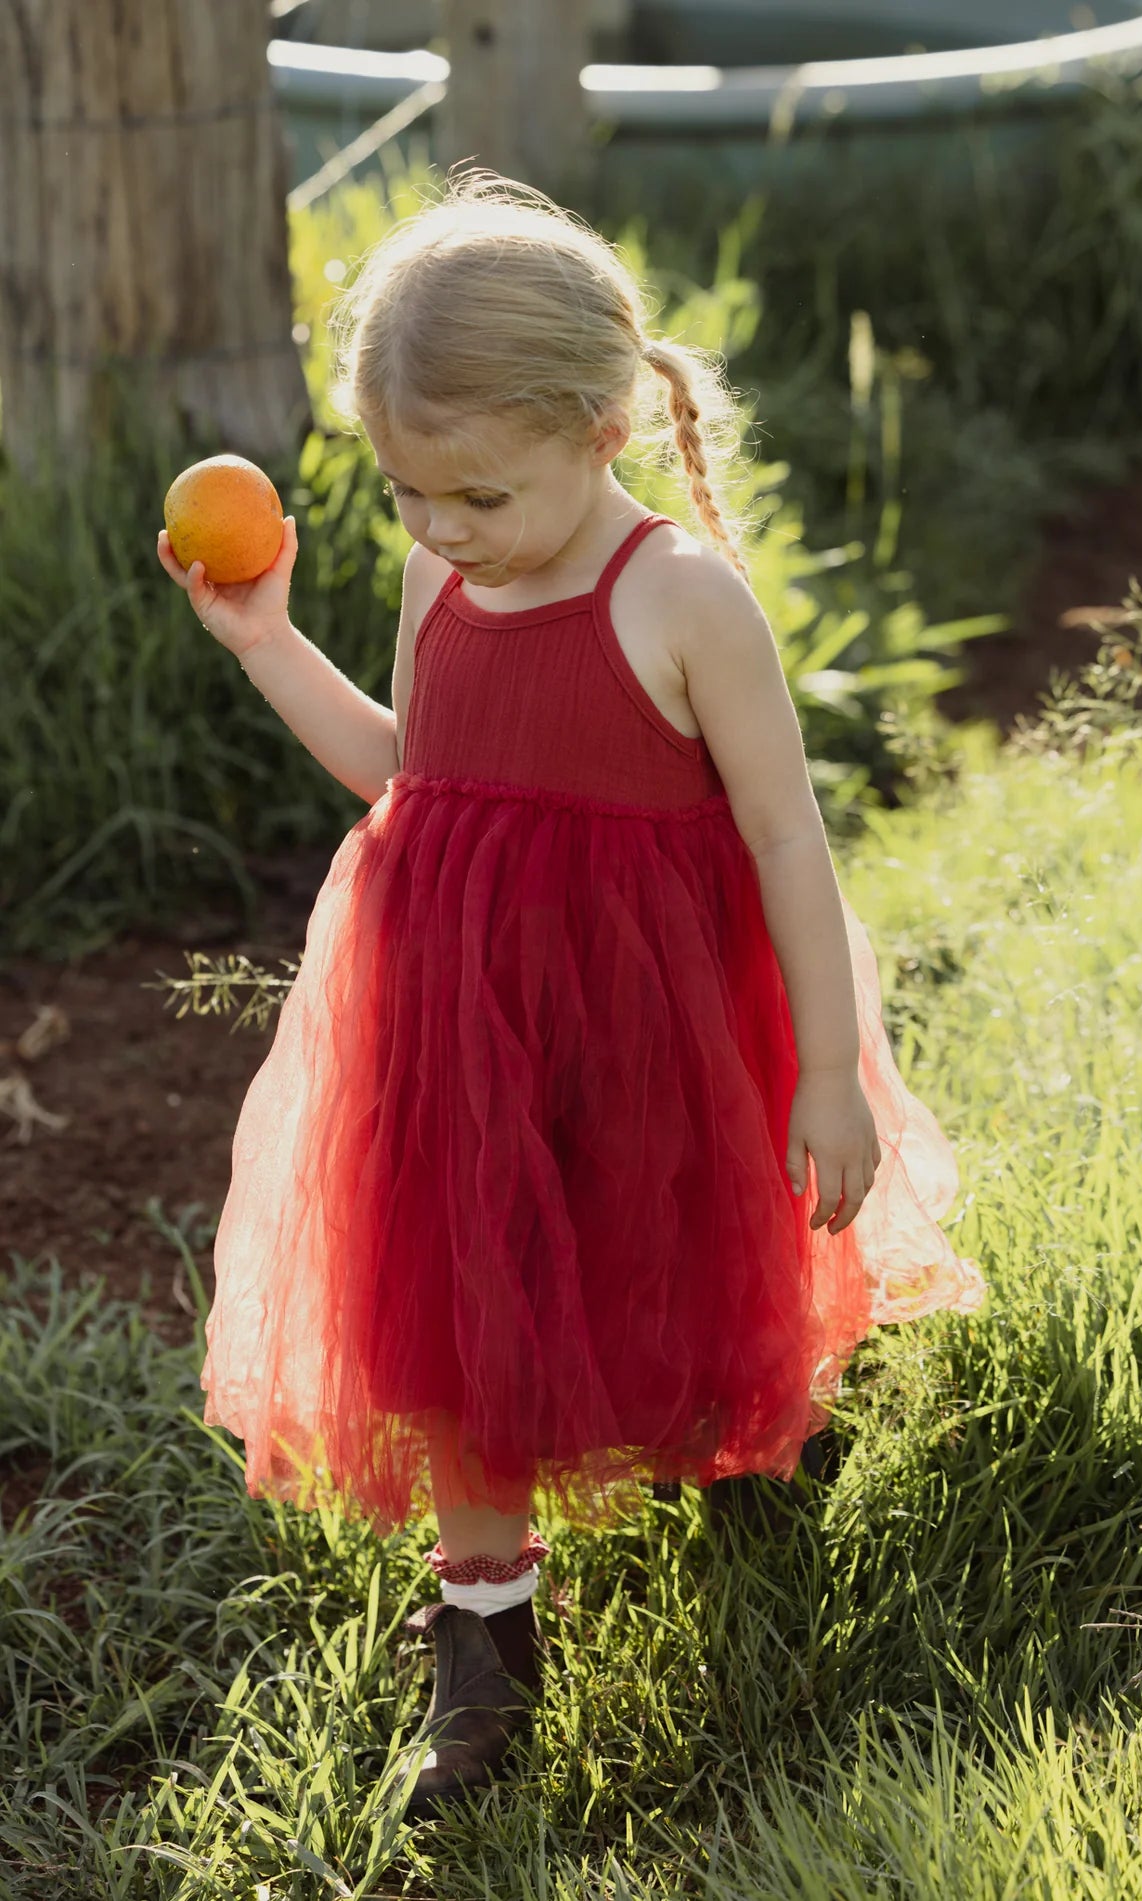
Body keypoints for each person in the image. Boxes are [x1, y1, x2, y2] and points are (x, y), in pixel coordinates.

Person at [156, 171, 985, 1816]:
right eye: (406, 492)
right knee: (460, 1293)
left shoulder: (679, 599)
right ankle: (484, 1626)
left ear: (600, 430)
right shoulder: (438, 577)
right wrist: (264, 645)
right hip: (457, 1015)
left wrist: (828, 1068)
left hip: (648, 1009)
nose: (439, 530)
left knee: (654, 1241)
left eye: (475, 493)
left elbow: (783, 831)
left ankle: (743, 1443)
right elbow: (415, 772)